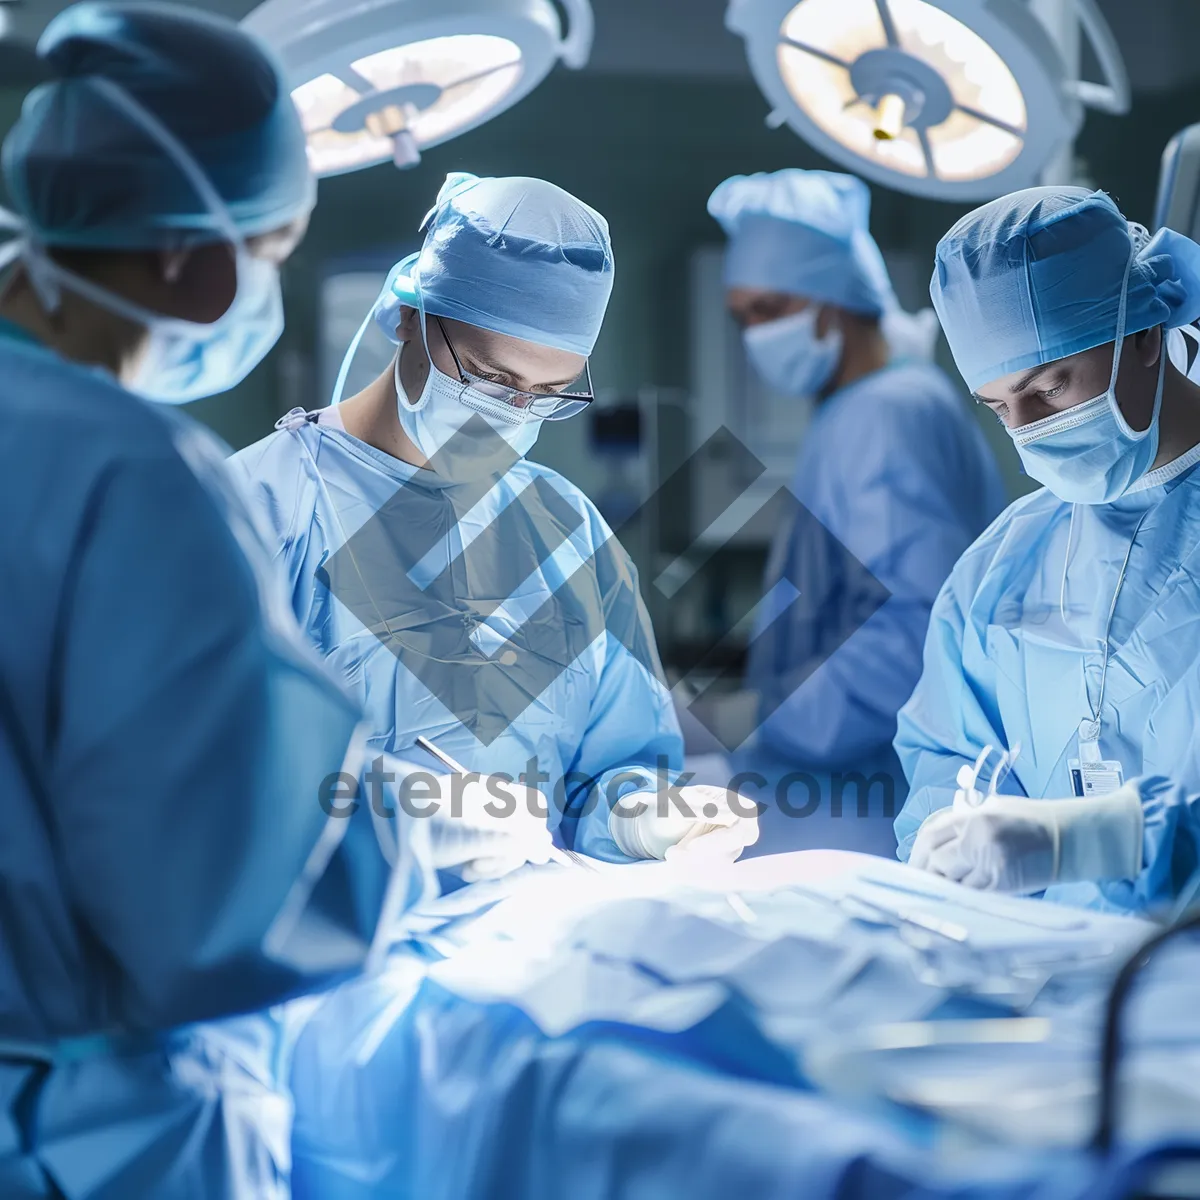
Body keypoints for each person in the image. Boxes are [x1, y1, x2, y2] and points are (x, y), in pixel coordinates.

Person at [0, 6, 546, 1197]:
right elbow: (225, 886)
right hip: (85, 1138)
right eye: (275, 247)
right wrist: (425, 826)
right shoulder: (132, 475)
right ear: (192, 262)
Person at [231, 171, 760, 867]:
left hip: (526, 945)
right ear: (408, 317)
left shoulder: (567, 532)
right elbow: (203, 780)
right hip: (337, 956)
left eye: (547, 394)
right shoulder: (259, 509)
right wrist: (389, 818)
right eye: (490, 378)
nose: (513, 416)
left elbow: (613, 764)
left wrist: (641, 814)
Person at [897, 186, 1200, 913]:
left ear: (1146, 338)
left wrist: (1101, 842)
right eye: (1000, 408)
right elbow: (949, 751)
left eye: (1049, 389)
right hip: (1057, 984)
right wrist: (952, 834)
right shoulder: (1006, 559)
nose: (1027, 430)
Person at [701, 170, 1006, 784]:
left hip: (873, 789)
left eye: (770, 308)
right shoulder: (862, 405)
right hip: (841, 777)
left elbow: (914, 632)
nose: (756, 334)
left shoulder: (884, 414)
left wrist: (764, 717)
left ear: (832, 302)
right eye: (742, 317)